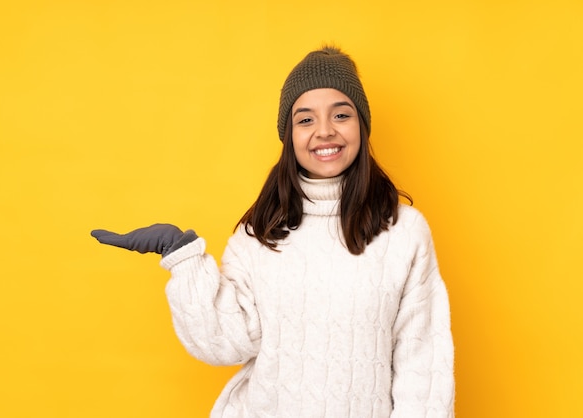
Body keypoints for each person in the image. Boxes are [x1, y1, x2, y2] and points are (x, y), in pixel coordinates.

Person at [91, 46, 455, 417]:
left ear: (361, 124)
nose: (325, 131)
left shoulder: (404, 232)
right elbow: (225, 342)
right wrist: (181, 255)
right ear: (289, 136)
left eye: (341, 115)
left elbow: (423, 367)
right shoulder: (260, 233)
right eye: (306, 120)